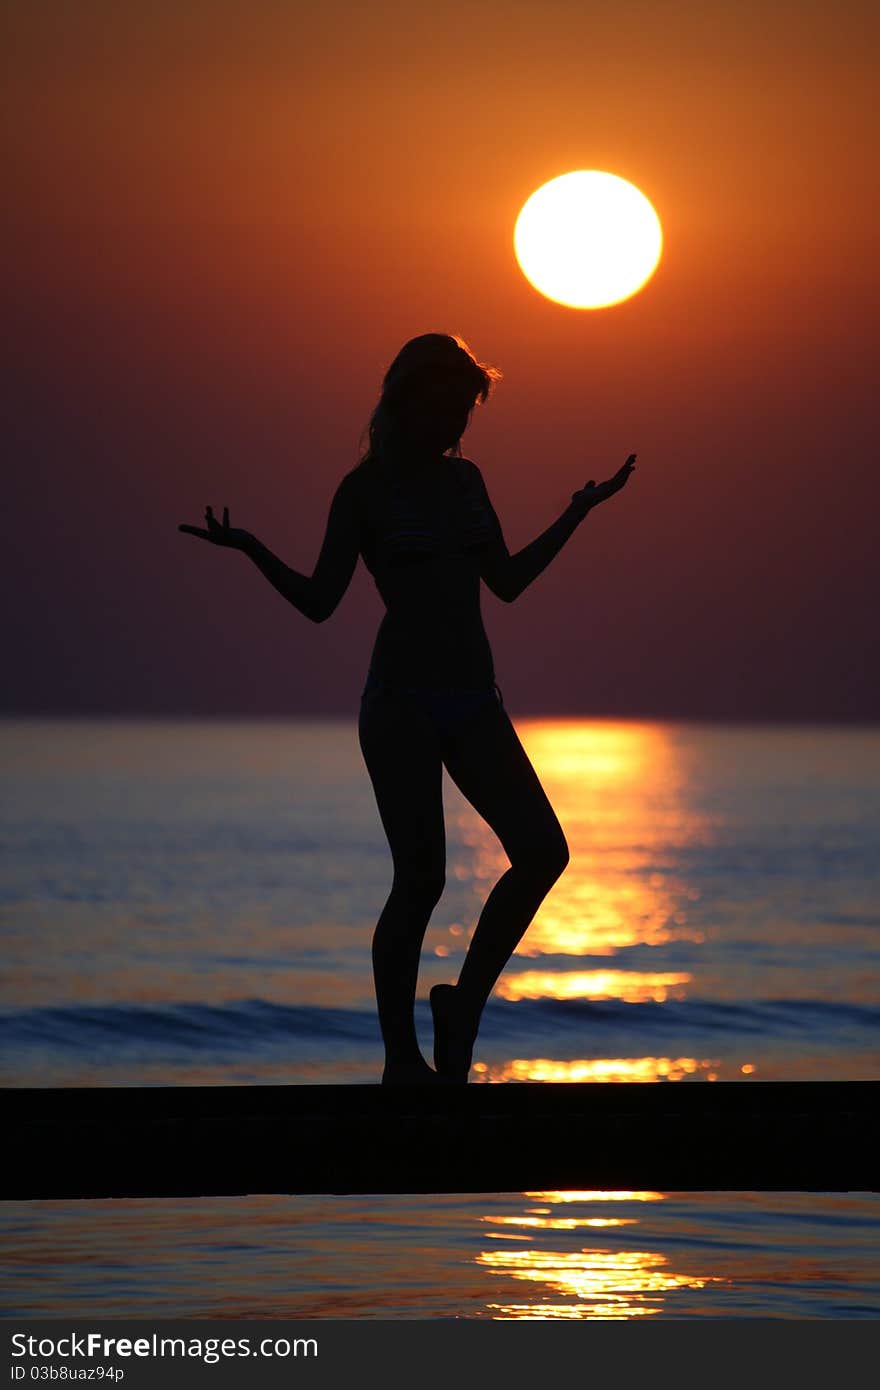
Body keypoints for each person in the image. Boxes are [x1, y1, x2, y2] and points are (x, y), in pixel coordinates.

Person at [179, 333, 636, 1085]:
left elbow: (509, 581)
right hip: (399, 704)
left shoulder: (468, 483)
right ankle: (400, 1057)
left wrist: (578, 512)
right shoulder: (364, 492)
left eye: (467, 408)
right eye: (449, 405)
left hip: (474, 699)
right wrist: (253, 550)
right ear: (406, 400)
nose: (459, 422)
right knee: (420, 879)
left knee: (543, 854)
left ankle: (463, 1009)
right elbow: (321, 603)